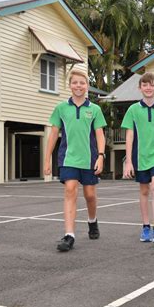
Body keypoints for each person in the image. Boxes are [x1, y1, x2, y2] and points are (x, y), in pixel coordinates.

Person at [44, 69, 107, 252]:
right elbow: (53, 134)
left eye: (82, 83)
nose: (78, 86)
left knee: (90, 195)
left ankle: (92, 221)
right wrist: (47, 159)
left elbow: (100, 135)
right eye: (75, 82)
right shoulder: (61, 109)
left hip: (90, 159)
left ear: (87, 86)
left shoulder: (94, 109)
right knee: (70, 190)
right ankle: (69, 235)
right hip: (68, 159)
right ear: (69, 85)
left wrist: (101, 156)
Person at [121, 72, 154, 246]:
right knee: (144, 192)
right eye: (145, 85)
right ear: (140, 88)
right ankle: (146, 227)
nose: (148, 88)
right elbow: (129, 135)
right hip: (139, 157)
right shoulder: (133, 110)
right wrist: (128, 161)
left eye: (151, 85)